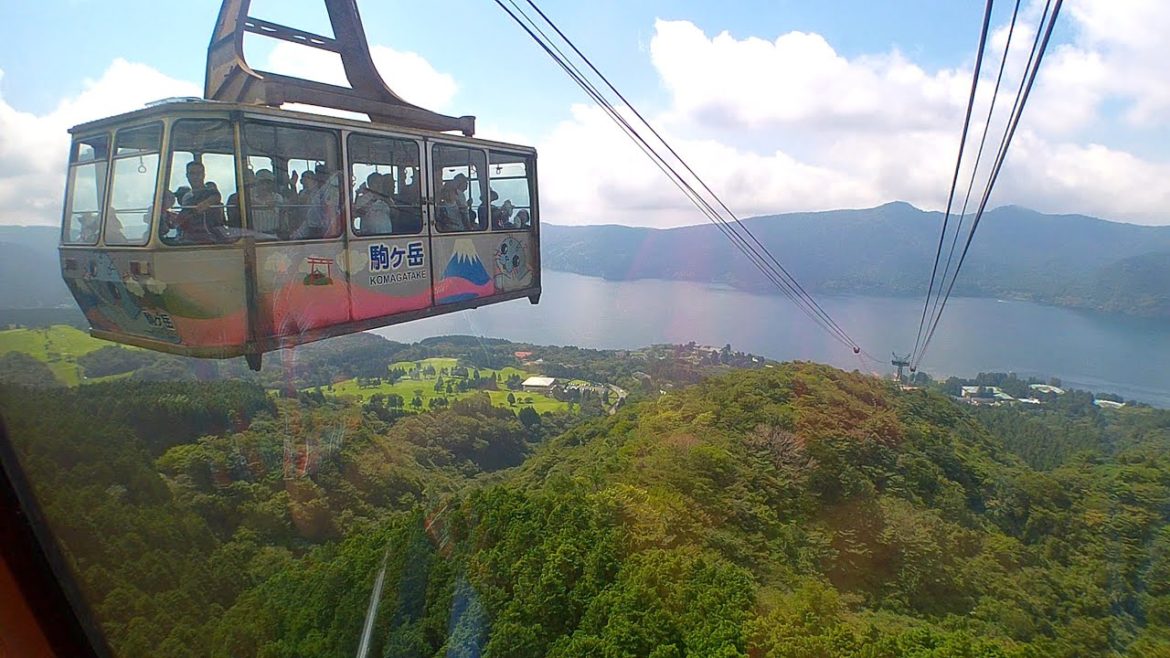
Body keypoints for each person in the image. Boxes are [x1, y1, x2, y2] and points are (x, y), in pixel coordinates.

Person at [171, 161, 225, 243]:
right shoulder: (187, 197)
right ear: (187, 176)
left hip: (208, 237)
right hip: (187, 236)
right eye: (192, 173)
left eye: (198, 173)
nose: (195, 177)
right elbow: (182, 219)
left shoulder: (209, 192)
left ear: (203, 175)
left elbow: (216, 197)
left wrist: (206, 203)